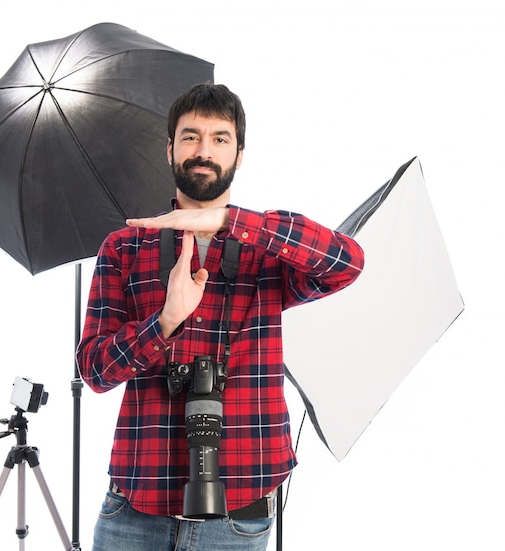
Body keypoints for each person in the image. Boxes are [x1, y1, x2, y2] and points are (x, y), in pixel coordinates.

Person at [76, 83, 365, 551]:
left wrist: (231, 222)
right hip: (135, 505)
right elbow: (93, 371)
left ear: (239, 153)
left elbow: (347, 262)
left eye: (219, 138)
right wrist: (164, 322)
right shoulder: (124, 248)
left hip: (239, 510)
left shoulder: (269, 249)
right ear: (169, 149)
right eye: (190, 137)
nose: (203, 151)